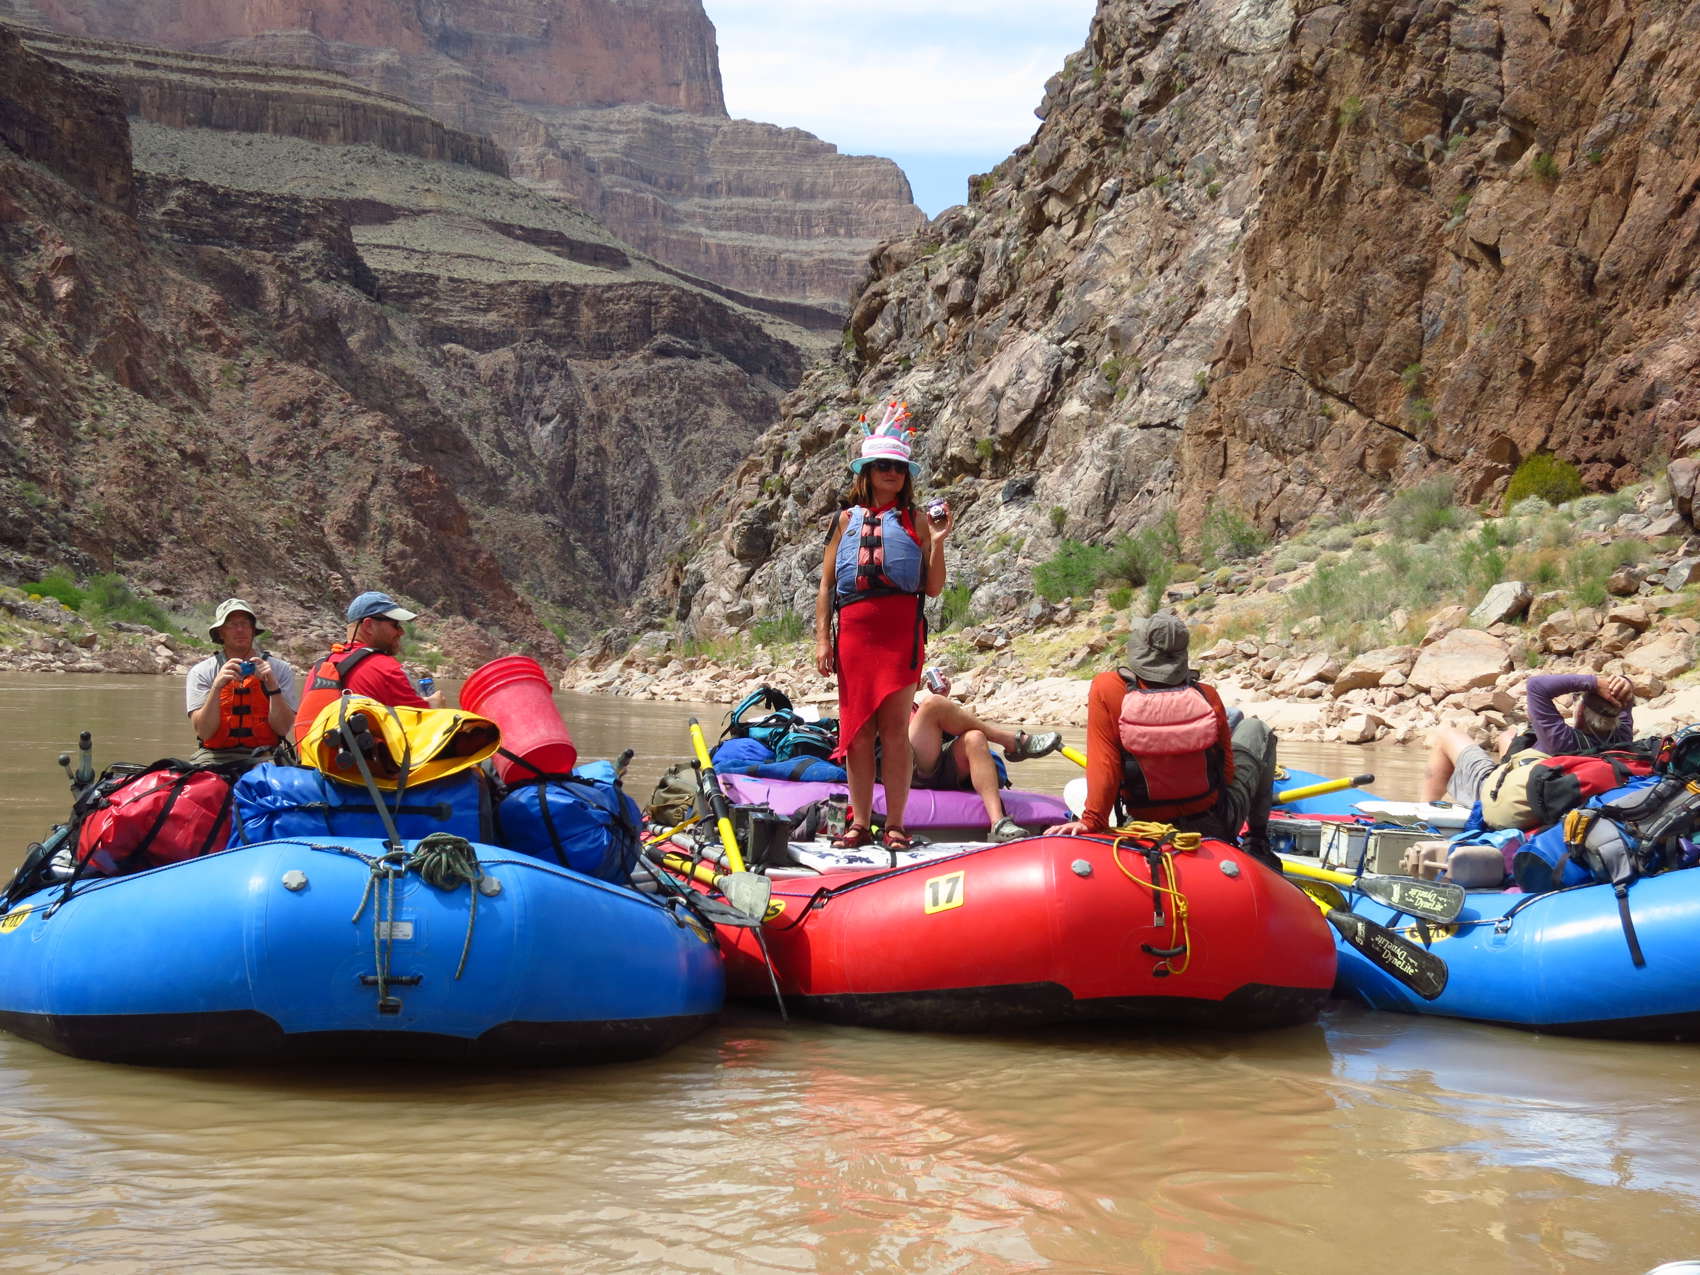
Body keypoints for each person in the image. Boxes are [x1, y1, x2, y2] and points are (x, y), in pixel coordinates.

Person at [1044, 611, 1280, 870]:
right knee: (1257, 729)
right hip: (1214, 824)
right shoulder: (1207, 696)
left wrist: (1092, 820)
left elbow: (1105, 766)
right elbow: (1226, 773)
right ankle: (1257, 841)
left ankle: (1256, 841)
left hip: (1144, 826)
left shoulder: (1108, 689)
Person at [814, 402, 949, 851]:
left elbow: (933, 588)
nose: (892, 473)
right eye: (883, 466)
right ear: (868, 472)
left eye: (899, 467)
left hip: (900, 636)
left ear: (906, 475)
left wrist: (939, 542)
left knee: (894, 731)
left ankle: (894, 824)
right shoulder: (844, 521)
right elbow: (827, 585)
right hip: (854, 634)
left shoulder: (917, 521)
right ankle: (857, 822)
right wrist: (822, 640)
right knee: (856, 733)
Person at [1420, 671, 1635, 804]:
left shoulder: (1561, 739)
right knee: (1508, 739)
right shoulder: (1623, 741)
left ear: (1579, 712)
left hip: (1500, 796)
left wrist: (1594, 682)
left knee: (1446, 734)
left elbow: (1536, 686)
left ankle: (1423, 811)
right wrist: (1623, 684)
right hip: (1545, 795)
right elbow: (1625, 698)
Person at [910, 672, 1063, 841]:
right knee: (933, 703)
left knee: (974, 738)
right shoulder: (892, 704)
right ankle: (1010, 741)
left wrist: (942, 699)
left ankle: (998, 823)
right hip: (903, 767)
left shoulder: (915, 708)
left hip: (934, 764)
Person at [293, 590, 443, 744]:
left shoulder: (319, 667)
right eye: (395, 625)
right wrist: (436, 707)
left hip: (316, 758)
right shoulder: (387, 668)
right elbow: (428, 730)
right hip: (367, 760)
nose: (401, 632)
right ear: (369, 625)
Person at [185, 598, 299, 767]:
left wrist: (273, 687)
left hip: (266, 756)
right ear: (220, 633)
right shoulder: (201, 672)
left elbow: (283, 729)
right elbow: (204, 732)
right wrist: (216, 687)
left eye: (245, 624)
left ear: (253, 630)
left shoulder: (280, 669)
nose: (240, 629)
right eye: (232, 624)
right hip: (215, 757)